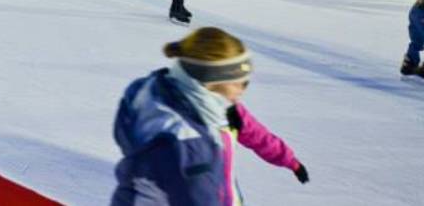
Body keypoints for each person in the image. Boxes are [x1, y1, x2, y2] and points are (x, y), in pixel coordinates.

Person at [111, 27, 308, 205]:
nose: (243, 89)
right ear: (212, 80)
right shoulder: (186, 142)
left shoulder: (161, 92)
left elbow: (257, 135)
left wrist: (289, 160)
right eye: (239, 82)